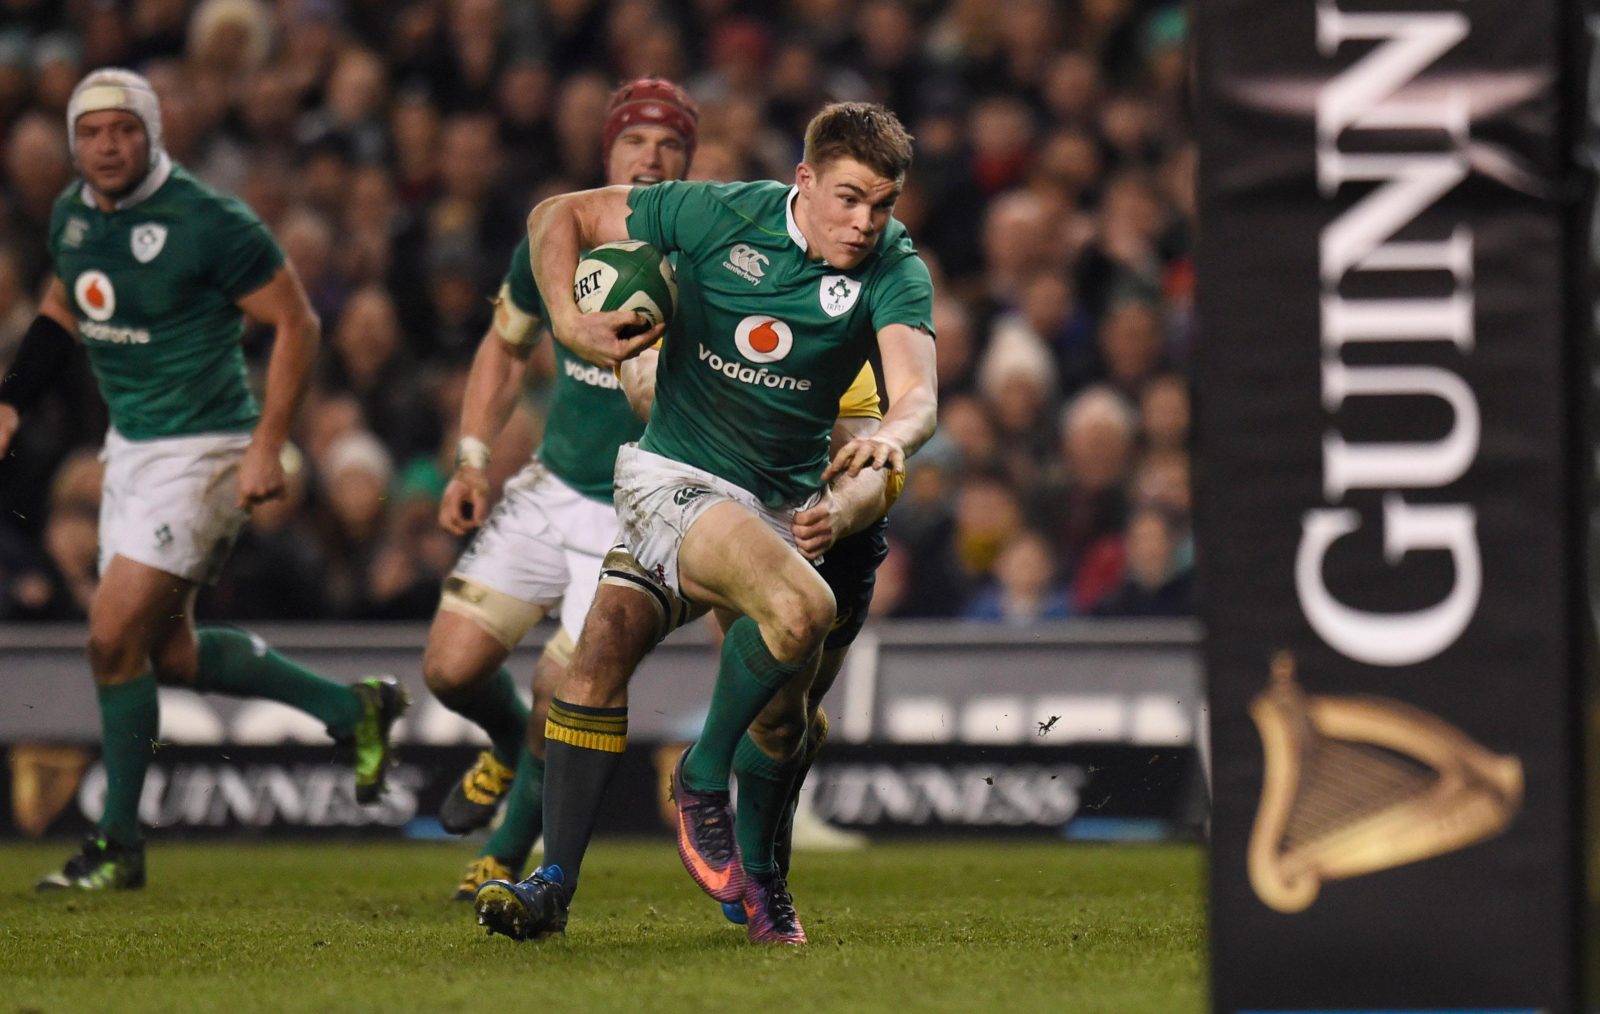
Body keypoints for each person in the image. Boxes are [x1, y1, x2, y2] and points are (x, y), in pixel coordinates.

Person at [475, 101, 938, 944]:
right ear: (804, 181)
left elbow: (916, 401)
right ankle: (589, 855)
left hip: (781, 509)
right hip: (673, 478)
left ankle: (762, 883)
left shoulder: (892, 271)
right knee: (644, 639)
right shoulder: (718, 214)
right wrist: (570, 323)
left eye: (882, 204)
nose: (864, 223)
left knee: (784, 718)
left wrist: (884, 446)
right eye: (848, 199)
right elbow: (557, 215)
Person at [0, 70, 408, 891]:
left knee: (111, 636)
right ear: (74, 144)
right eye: (91, 132)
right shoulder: (74, 215)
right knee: (171, 656)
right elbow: (64, 304)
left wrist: (268, 445)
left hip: (207, 450)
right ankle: (351, 708)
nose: (107, 146)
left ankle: (118, 845)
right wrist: (13, 397)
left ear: (152, 134)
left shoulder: (208, 221)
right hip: (132, 449)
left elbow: (297, 321)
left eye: (124, 130)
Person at [420, 77, 699, 901]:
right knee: (449, 669)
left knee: (560, 690)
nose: (651, 157)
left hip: (637, 514)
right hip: (551, 487)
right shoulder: (559, 237)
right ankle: (509, 748)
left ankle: (505, 854)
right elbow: (505, 348)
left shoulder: (706, 257)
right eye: (634, 140)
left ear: (690, 161)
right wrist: (473, 458)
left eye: (670, 144)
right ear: (607, 152)